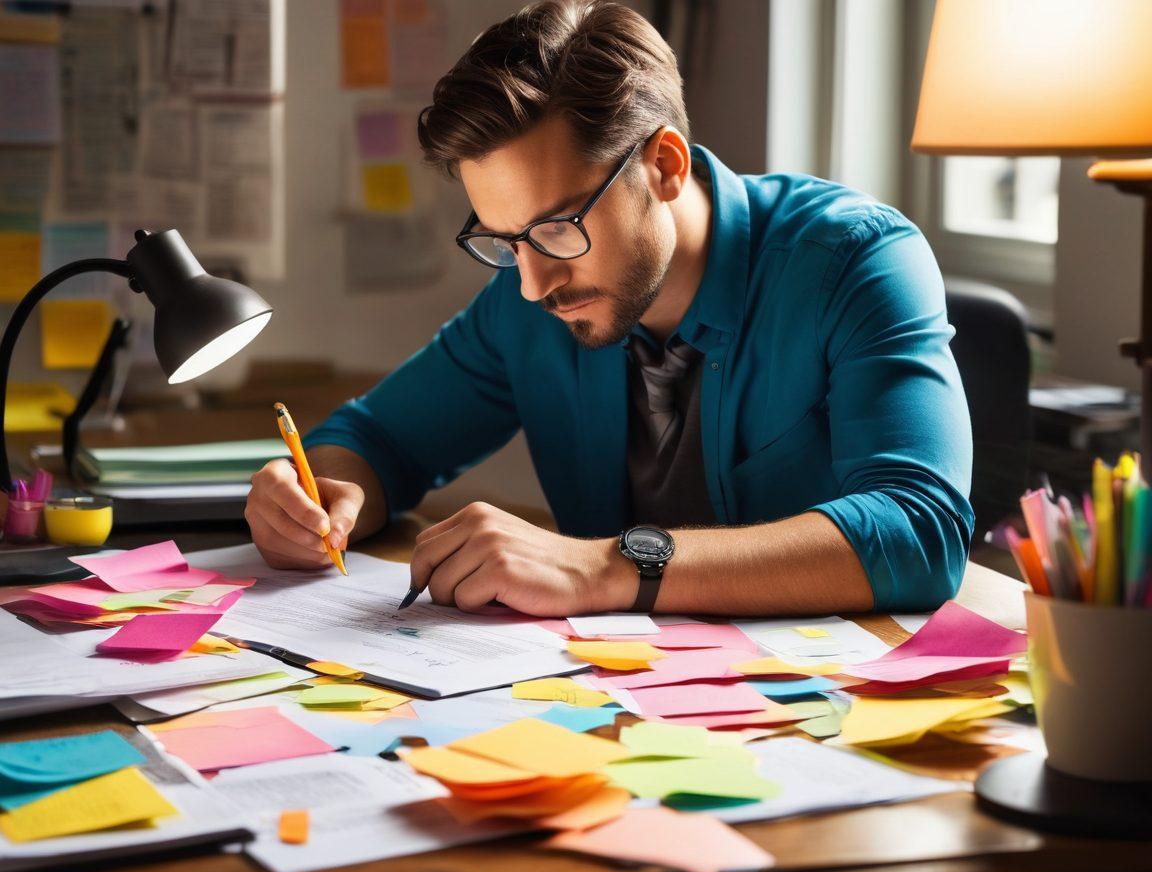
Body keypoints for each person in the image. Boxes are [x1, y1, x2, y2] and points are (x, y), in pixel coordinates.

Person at [245, 0, 973, 618]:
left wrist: (605, 568)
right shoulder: (529, 299)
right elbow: (375, 440)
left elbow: (919, 528)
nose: (533, 284)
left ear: (664, 165)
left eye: (559, 228)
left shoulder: (856, 261)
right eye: (505, 240)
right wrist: (325, 500)